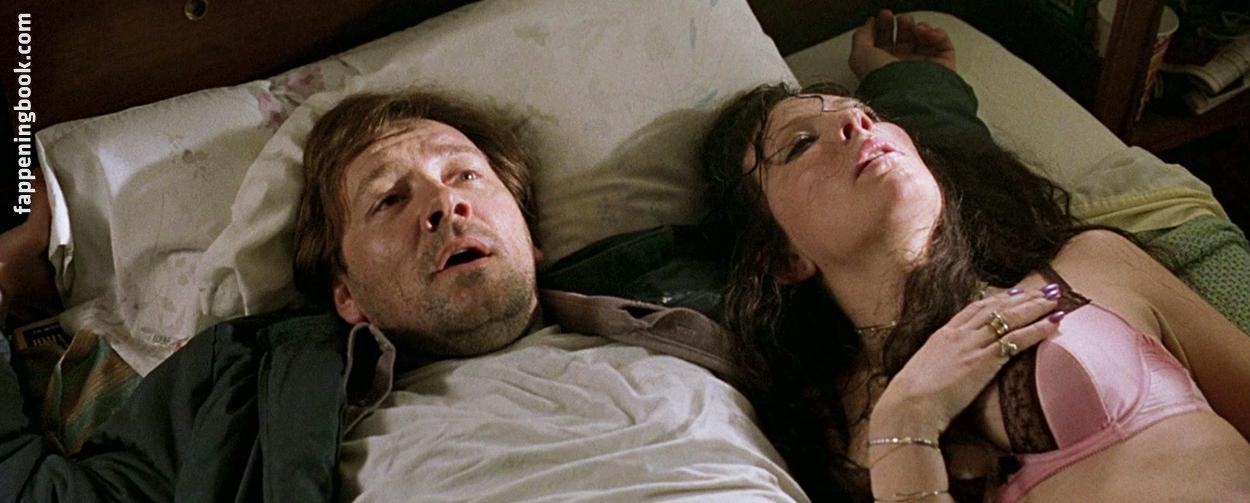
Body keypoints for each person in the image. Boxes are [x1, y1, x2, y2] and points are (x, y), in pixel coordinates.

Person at [0, 91, 807, 500]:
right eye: (389, 198)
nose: (444, 204)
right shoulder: (253, 397)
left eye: (467, 176)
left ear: (529, 233)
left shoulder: (698, 292)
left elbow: (872, 249)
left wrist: (883, 82)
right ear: (346, 294)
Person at [701, 10, 1250, 502]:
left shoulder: (1095, 263)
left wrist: (909, 76)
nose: (857, 124)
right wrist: (905, 424)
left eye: (865, 112)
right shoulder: (821, 436)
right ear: (781, 257)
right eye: (800, 143)